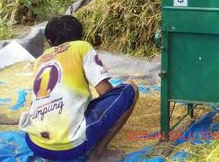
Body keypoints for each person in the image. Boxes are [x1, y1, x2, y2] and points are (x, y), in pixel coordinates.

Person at [19, 15, 139, 161]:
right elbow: (104, 91)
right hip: (70, 148)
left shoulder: (40, 59)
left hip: (35, 143)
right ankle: (98, 154)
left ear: (49, 41)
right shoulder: (82, 47)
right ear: (79, 36)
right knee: (130, 89)